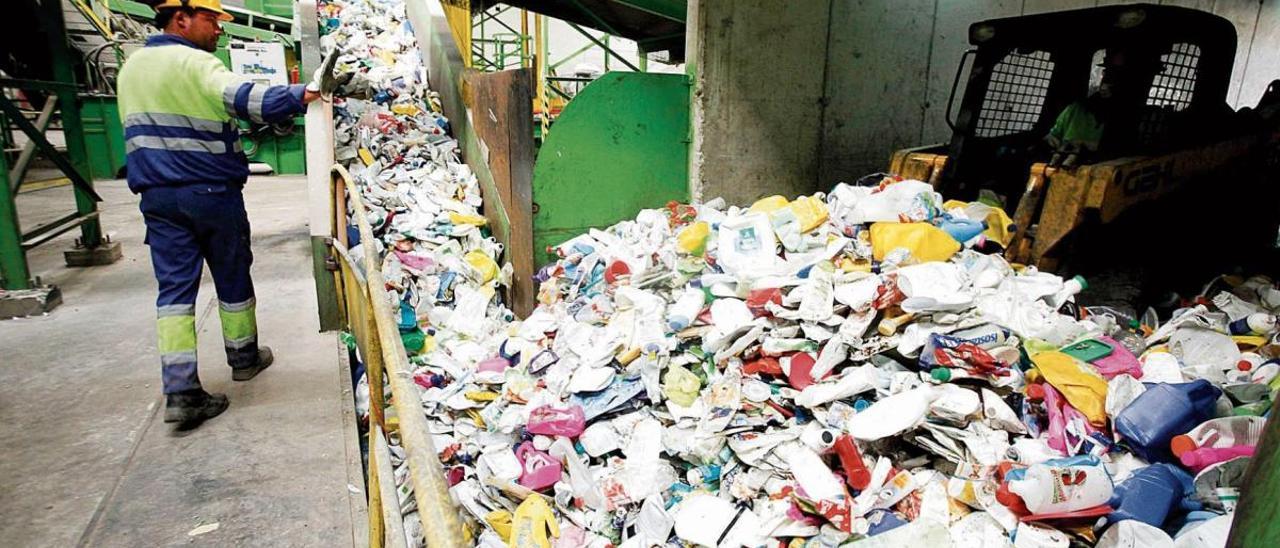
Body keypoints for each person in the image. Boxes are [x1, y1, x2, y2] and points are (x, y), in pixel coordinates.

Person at [116, 0, 327, 428]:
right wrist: (303, 93)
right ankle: (244, 357)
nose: (218, 31)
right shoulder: (196, 65)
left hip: (157, 198)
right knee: (232, 274)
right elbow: (251, 101)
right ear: (181, 18)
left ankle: (181, 391)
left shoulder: (131, 68)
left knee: (173, 293)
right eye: (211, 20)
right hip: (210, 194)